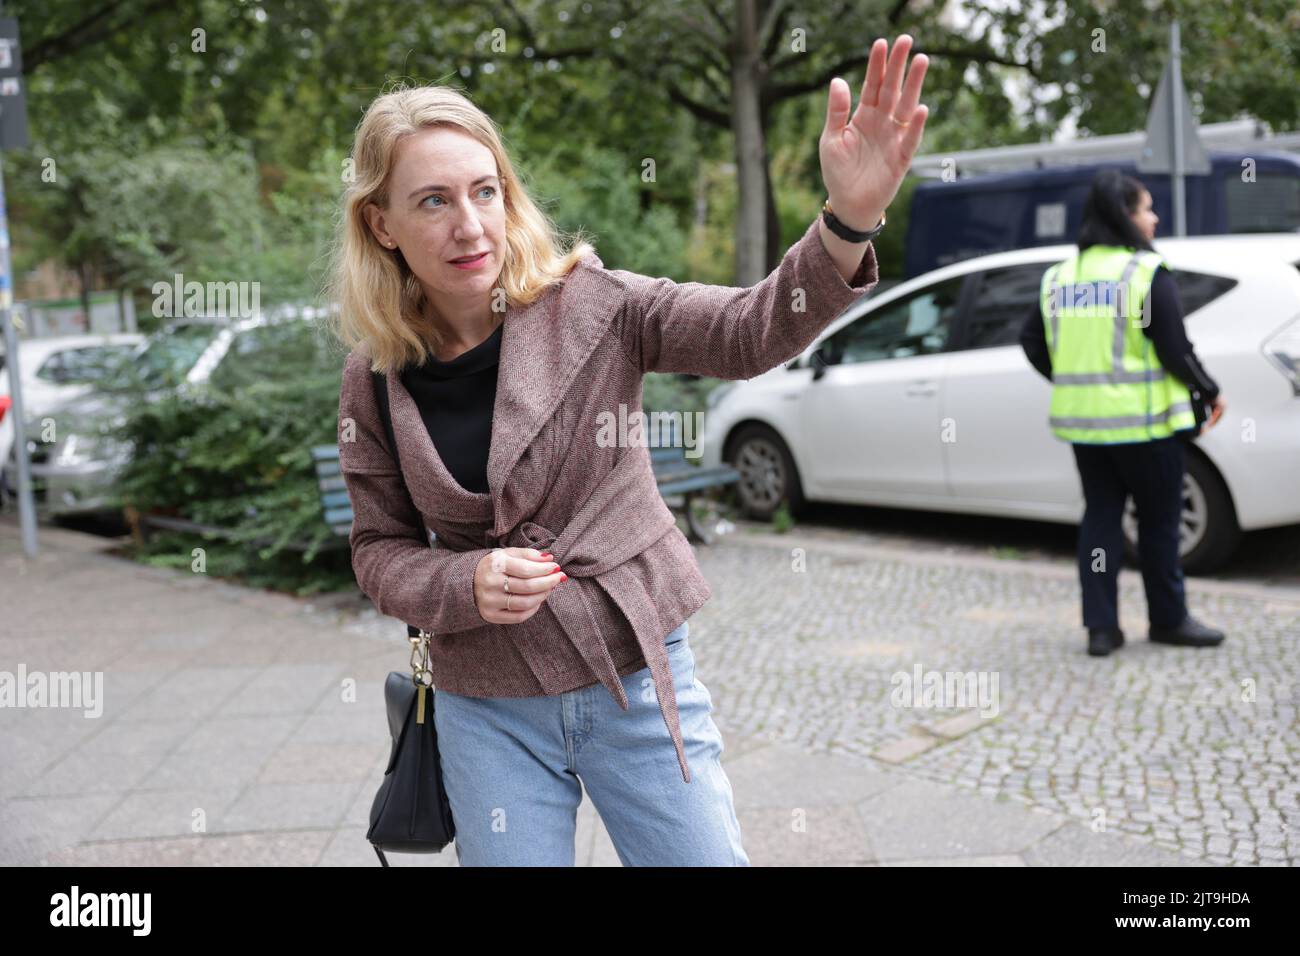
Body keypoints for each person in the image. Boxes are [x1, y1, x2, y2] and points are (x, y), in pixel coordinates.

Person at [328, 37, 930, 865]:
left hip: (636, 674)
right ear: (381, 223)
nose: (470, 225)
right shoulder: (378, 378)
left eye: (484, 191)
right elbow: (377, 551)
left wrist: (848, 220)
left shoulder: (594, 305)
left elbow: (750, 330)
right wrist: (460, 581)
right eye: (432, 201)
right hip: (486, 705)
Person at [1019, 169, 1227, 658]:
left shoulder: (1060, 278)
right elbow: (1174, 348)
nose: (1153, 218)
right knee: (1158, 524)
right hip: (1145, 426)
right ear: (1124, 216)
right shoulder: (1143, 273)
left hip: (1085, 427)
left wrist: (1068, 377)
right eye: (1145, 209)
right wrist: (1210, 390)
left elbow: (1031, 340)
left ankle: (1101, 629)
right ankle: (1169, 621)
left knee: (1102, 521)